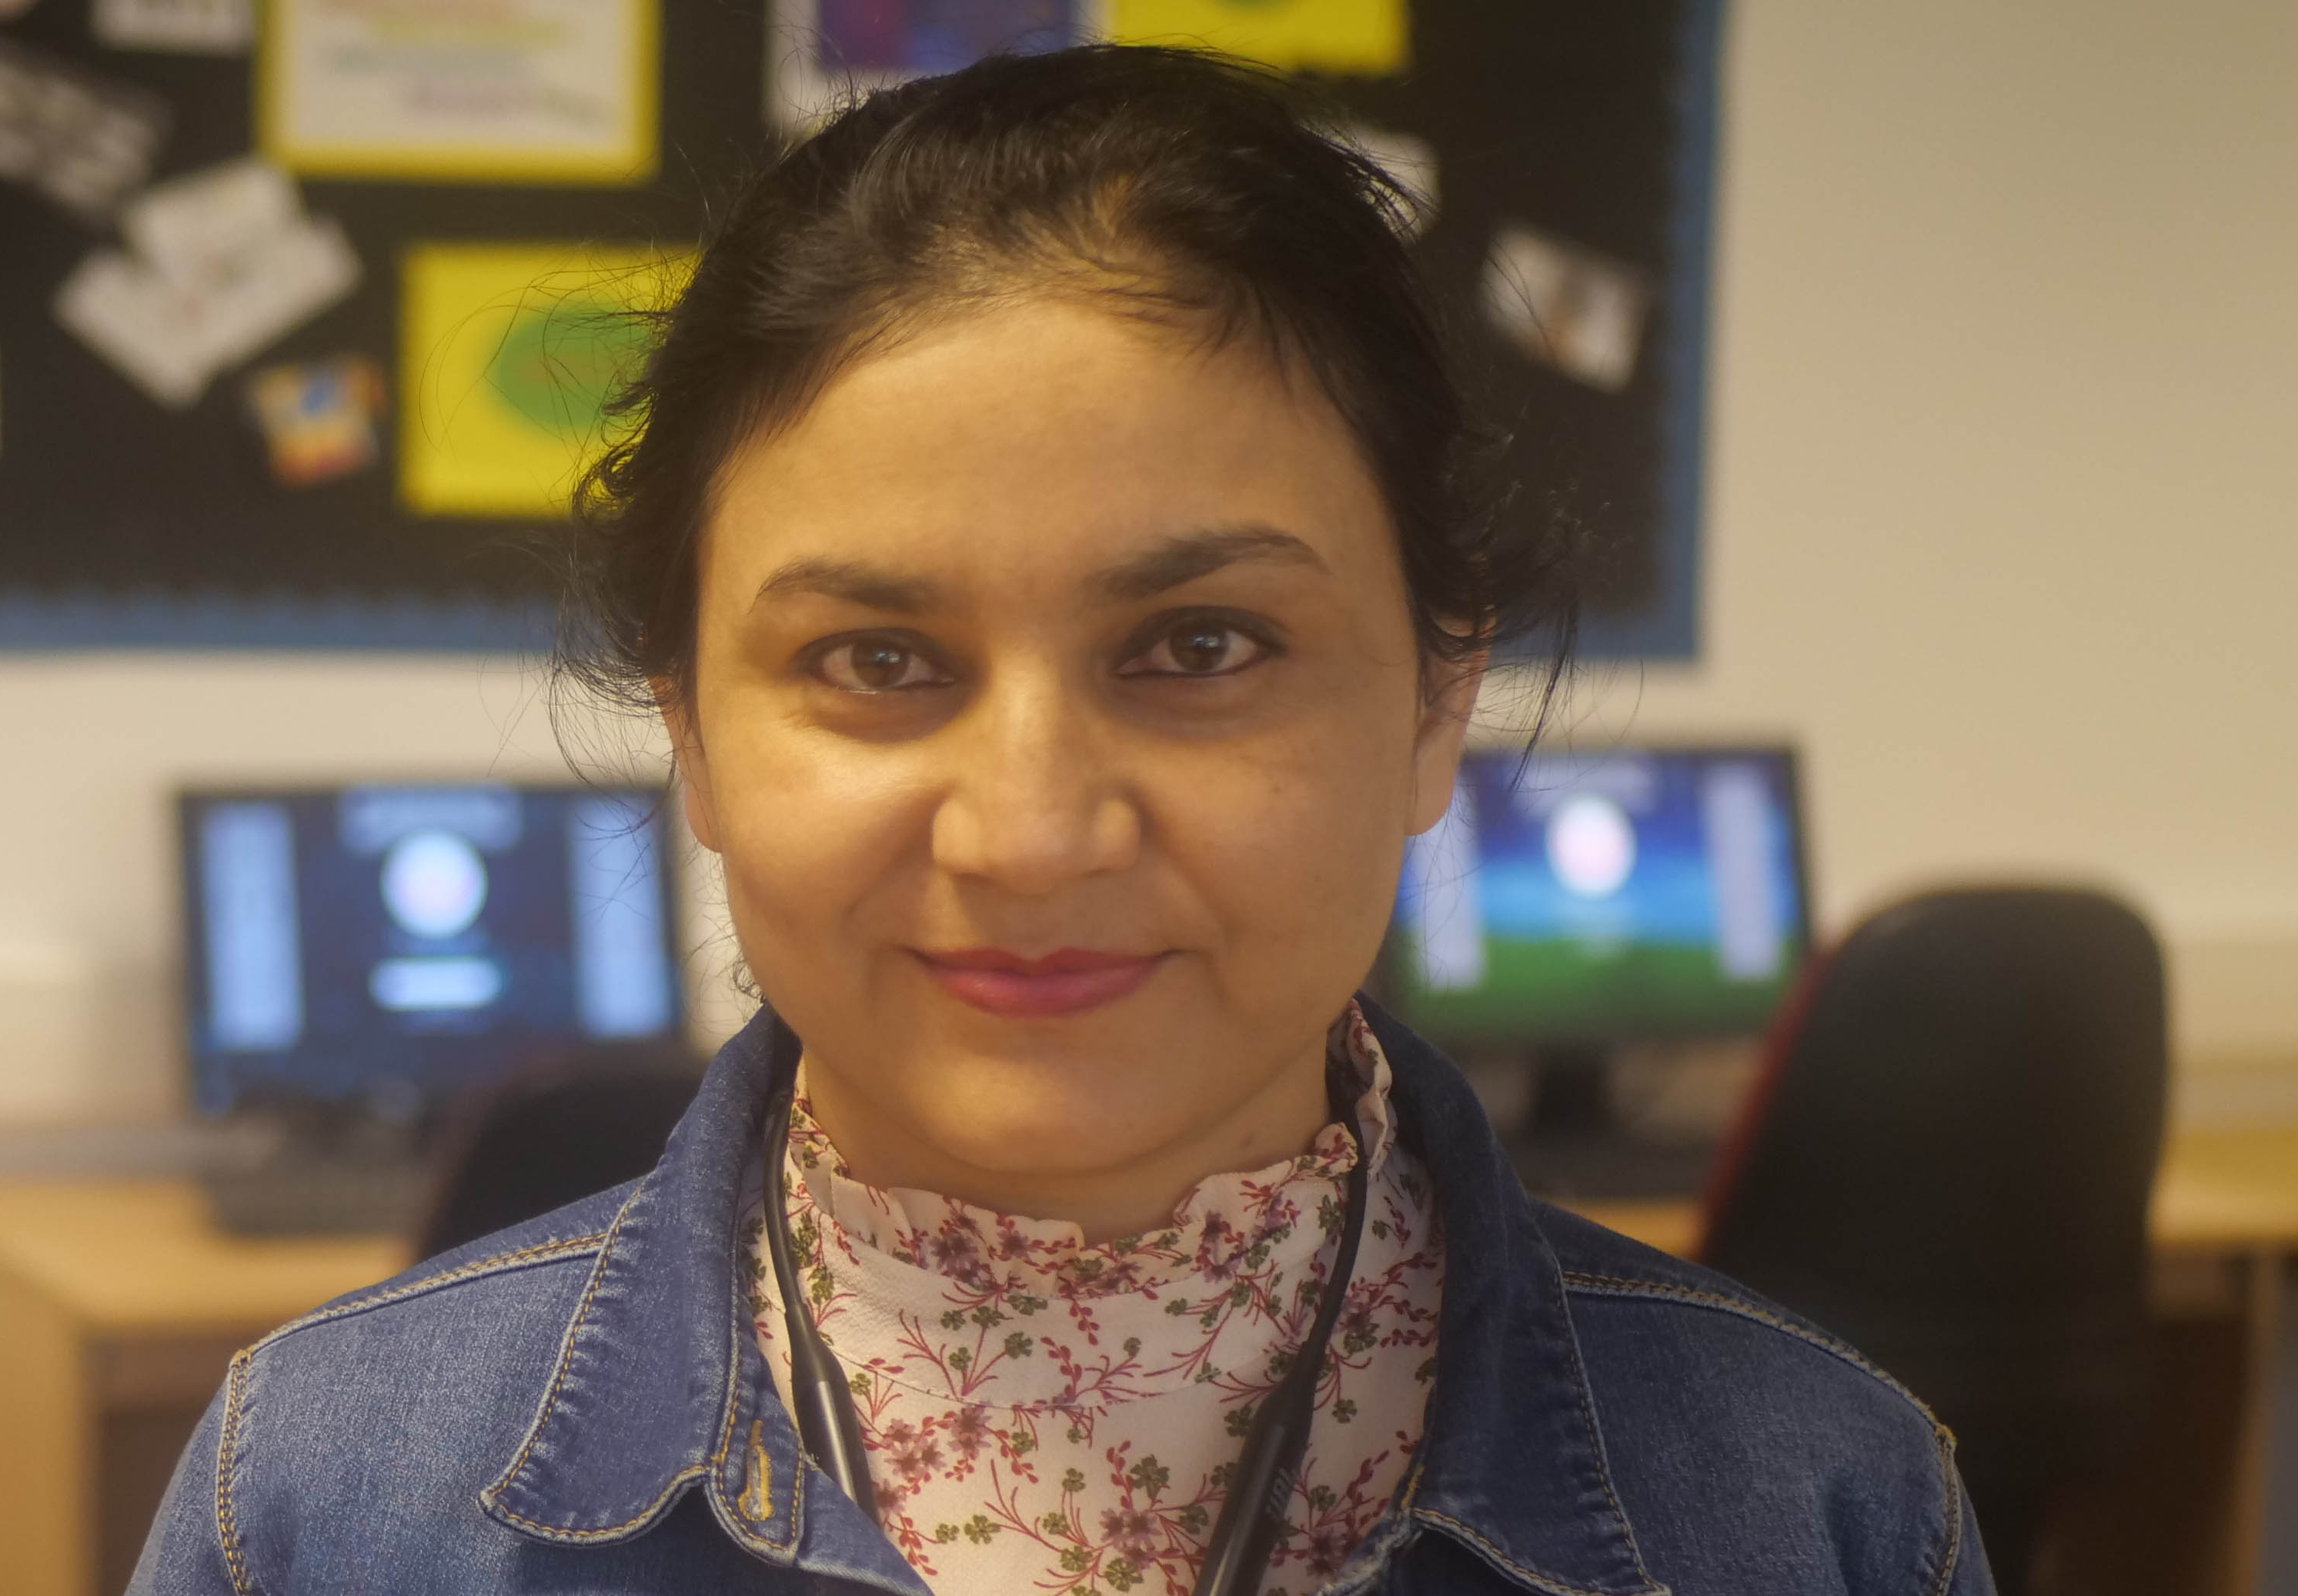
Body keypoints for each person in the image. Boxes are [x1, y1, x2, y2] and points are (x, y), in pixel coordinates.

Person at [127, 44, 1986, 1596]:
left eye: (1200, 643)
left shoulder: (1813, 1506)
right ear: (690, 732)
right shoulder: (328, 1507)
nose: (1028, 833)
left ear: (1437, 703)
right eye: (872, 657)